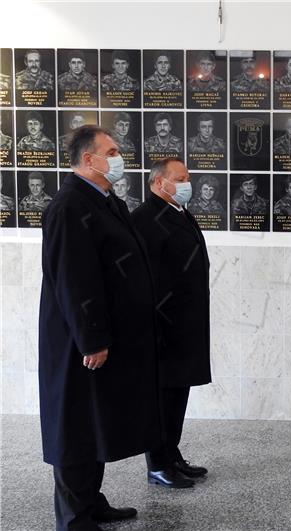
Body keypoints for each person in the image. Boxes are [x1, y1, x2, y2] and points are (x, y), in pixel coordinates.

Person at [39, 124, 160, 530]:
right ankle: (74, 517)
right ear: (87, 159)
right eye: (110, 150)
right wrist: (92, 337)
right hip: (79, 342)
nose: (118, 156)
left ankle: (92, 500)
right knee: (74, 428)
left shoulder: (105, 199)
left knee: (94, 423)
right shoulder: (69, 205)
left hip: (106, 334)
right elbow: (74, 278)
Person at [132, 157, 212, 490]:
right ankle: (158, 464)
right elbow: (143, 277)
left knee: (179, 391)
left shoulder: (177, 212)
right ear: (158, 183)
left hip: (185, 323)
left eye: (187, 178)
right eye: (179, 178)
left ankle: (172, 453)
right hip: (163, 326)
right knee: (162, 397)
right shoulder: (146, 218)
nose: (185, 184)